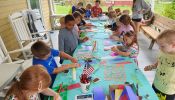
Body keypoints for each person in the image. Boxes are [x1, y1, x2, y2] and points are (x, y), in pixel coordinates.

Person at [144, 30, 175, 100]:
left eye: (162, 46)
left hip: (168, 90)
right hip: (156, 83)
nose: (159, 48)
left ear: (173, 45)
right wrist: (152, 66)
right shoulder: (163, 51)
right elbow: (160, 61)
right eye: (159, 46)